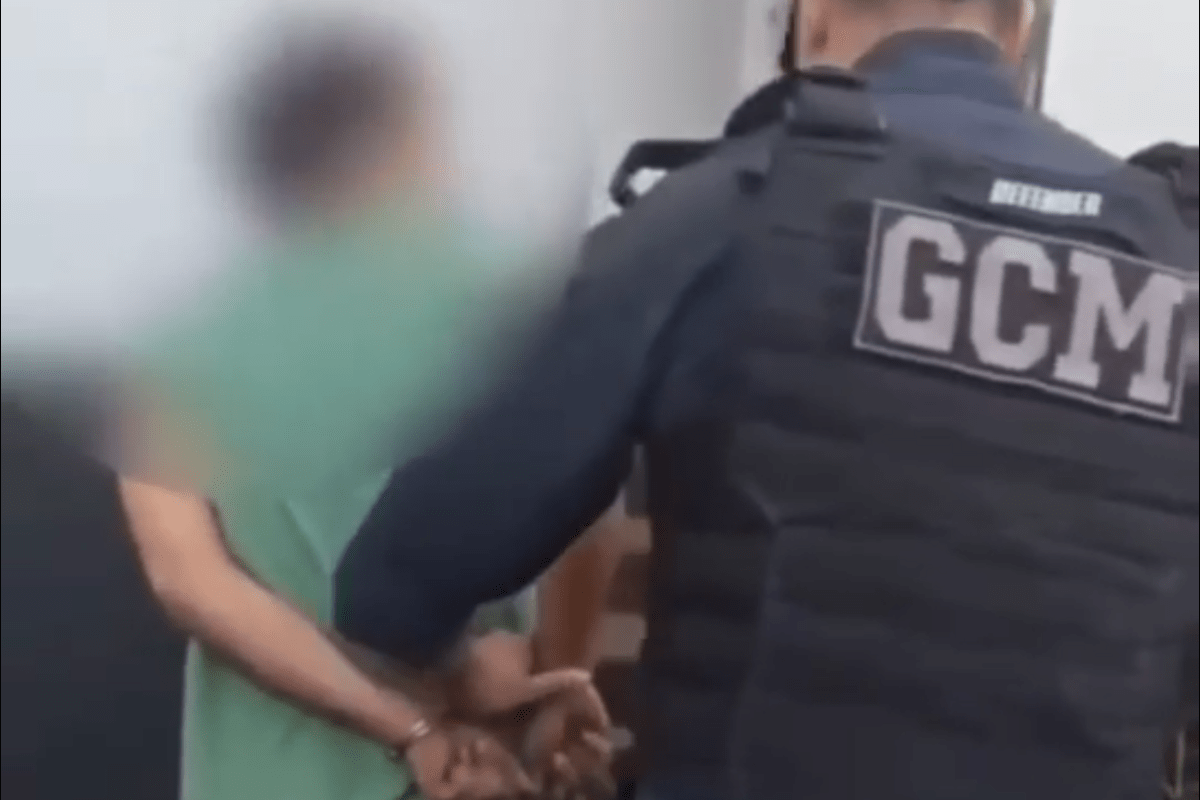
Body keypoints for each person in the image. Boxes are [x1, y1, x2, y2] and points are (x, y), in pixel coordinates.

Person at [333, 0, 1200, 798]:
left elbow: (395, 582)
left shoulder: (725, 208)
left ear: (808, 14)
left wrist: (463, 672)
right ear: (1023, 26)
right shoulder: (1180, 254)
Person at [116, 24, 604, 800]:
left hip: (395, 762)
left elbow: (192, 579)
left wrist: (525, 701)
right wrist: (450, 706)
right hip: (405, 759)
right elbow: (191, 579)